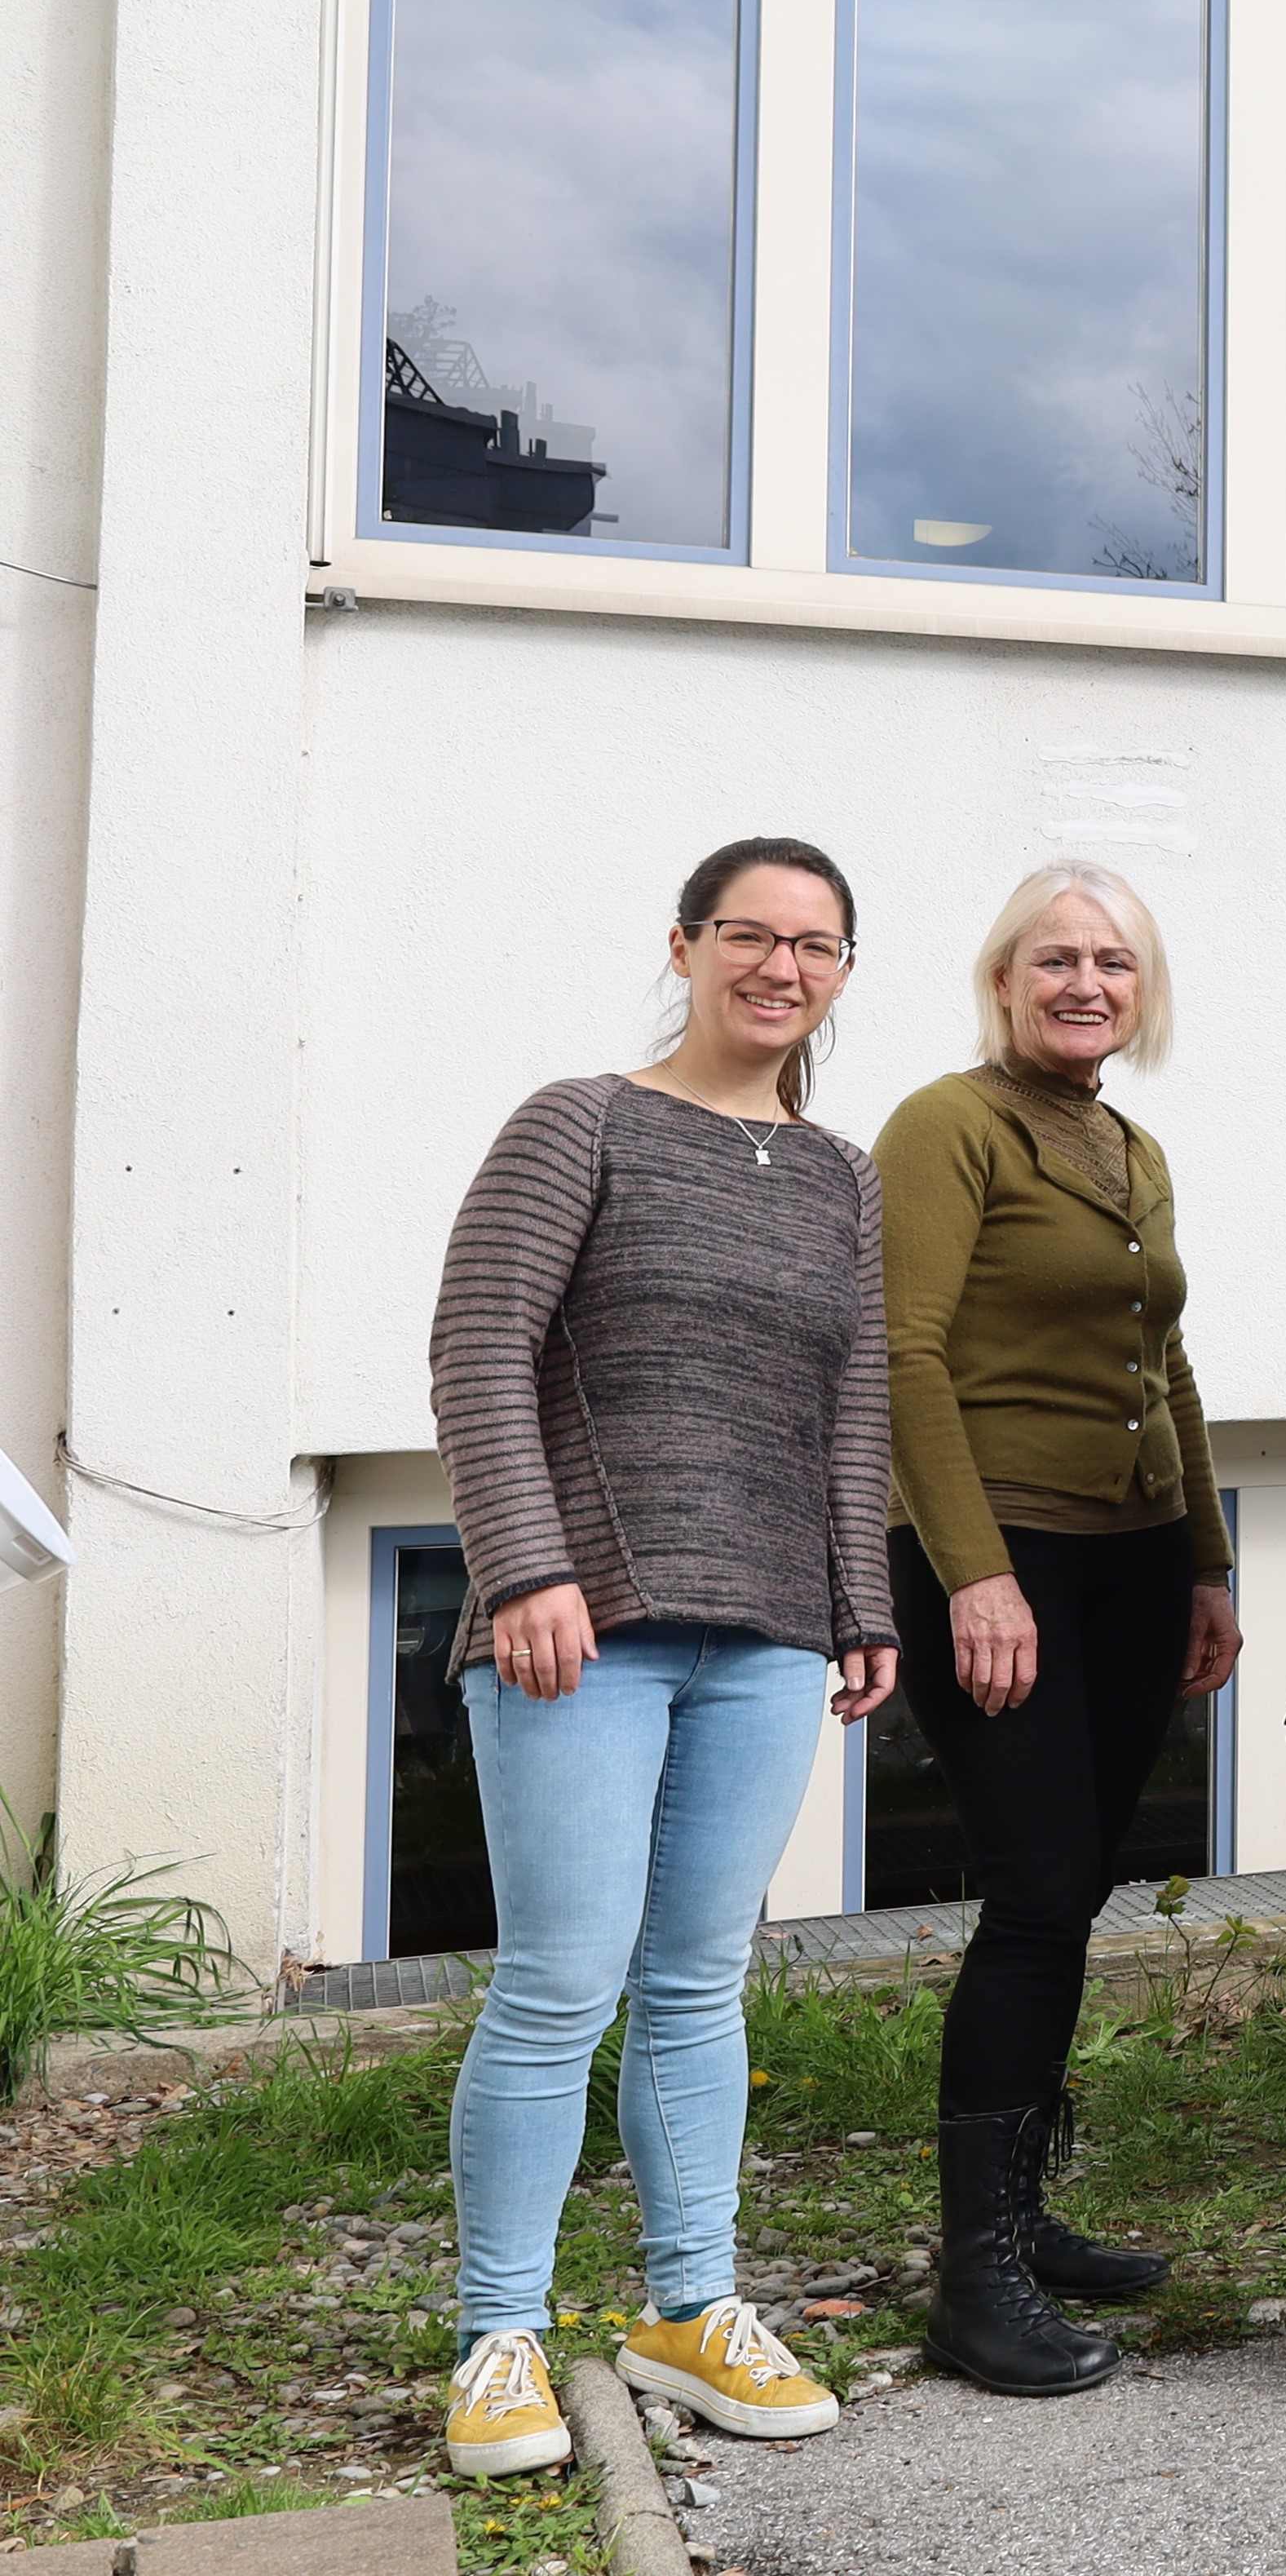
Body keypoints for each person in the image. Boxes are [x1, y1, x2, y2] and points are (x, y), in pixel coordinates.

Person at [426, 839, 903, 2481]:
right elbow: (477, 1347)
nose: (781, 967)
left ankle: (687, 2308)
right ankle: (499, 2334)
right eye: (751, 935)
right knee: (560, 1981)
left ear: (843, 970)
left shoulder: (846, 1176)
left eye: (815, 945)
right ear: (688, 943)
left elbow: (854, 1405)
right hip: (583, 1626)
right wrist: (526, 1568)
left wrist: (862, 1603)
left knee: (701, 1977)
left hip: (769, 1630)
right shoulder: (583, 1120)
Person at [868, 862, 1241, 2398]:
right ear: (1002, 977)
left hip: (1136, 1561)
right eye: (1055, 960)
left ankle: (1023, 2214)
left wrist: (1210, 1563)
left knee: (1077, 1885)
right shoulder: (948, 1125)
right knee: (1033, 1891)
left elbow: (1173, 1363)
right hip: (1003, 1554)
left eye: (1114, 963)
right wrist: (974, 1574)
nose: (1085, 983)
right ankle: (976, 2275)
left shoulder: (1132, 1144)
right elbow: (903, 1357)